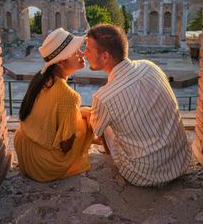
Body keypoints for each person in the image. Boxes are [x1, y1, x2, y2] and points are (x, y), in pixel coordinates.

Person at [83, 24, 192, 187]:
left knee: (99, 120)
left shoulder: (103, 96)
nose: (84, 54)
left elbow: (96, 132)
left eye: (88, 50)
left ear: (105, 57)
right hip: (180, 161)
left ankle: (108, 153)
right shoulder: (150, 66)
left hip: (143, 174)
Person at [14, 28, 93, 182]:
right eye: (76, 51)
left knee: (81, 113)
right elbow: (65, 146)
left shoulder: (42, 79)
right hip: (43, 165)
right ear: (62, 62)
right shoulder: (68, 96)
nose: (82, 53)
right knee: (88, 120)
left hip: (24, 150)